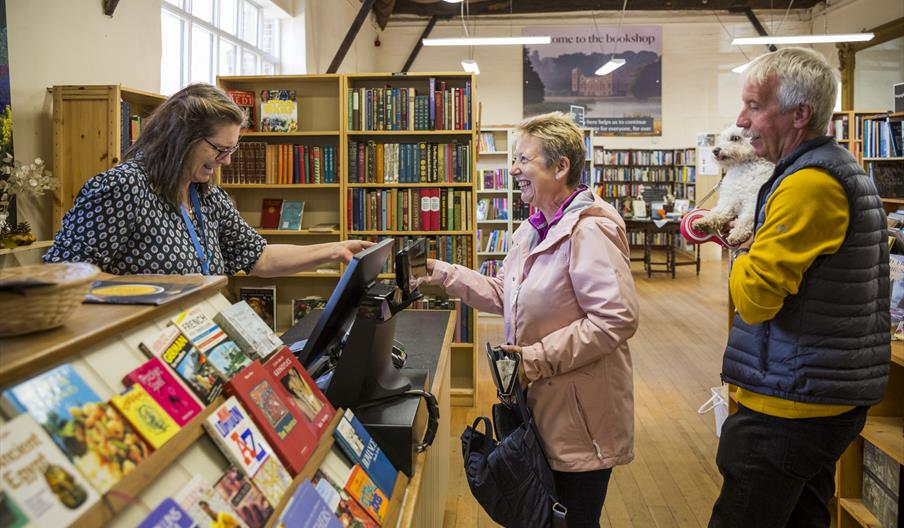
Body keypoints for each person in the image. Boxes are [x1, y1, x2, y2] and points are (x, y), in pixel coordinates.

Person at [421, 112, 639, 527]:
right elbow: (508, 294)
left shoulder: (588, 231)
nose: (514, 168)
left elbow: (616, 318)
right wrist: (446, 275)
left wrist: (533, 361)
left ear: (561, 167)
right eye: (514, 158)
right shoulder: (531, 230)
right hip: (542, 407)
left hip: (581, 417)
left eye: (524, 159)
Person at [709, 47, 890, 528]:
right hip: (812, 388)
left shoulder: (808, 184)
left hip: (789, 402)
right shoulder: (831, 169)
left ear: (799, 114)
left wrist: (741, 248)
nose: (741, 121)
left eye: (753, 105)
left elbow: (754, 300)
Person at [44, 83, 371, 275]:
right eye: (218, 149)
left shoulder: (206, 196)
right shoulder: (123, 187)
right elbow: (65, 273)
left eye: (232, 150)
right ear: (181, 138)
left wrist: (334, 249)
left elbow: (258, 256)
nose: (226, 161)